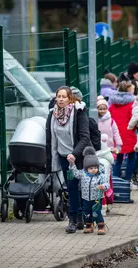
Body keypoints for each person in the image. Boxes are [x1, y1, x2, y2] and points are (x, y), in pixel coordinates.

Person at [46, 86, 90, 233]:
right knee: (71, 188)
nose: (60, 99)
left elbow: (85, 137)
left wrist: (75, 154)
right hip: (64, 156)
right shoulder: (53, 114)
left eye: (64, 96)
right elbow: (50, 137)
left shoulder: (79, 112)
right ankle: (73, 219)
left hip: (79, 156)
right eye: (58, 96)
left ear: (70, 98)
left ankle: (81, 217)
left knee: (81, 187)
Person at [69, 146, 109, 235]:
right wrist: (72, 164)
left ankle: (101, 226)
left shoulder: (100, 176)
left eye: (95, 167)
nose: (93, 170)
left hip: (97, 198)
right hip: (86, 198)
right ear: (86, 168)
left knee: (96, 212)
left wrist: (103, 186)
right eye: (91, 168)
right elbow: (75, 173)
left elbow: (107, 184)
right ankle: (89, 225)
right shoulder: (83, 174)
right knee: (86, 212)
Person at [109, 81, 138, 190]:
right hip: (129, 133)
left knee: (118, 159)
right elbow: (134, 119)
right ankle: (127, 181)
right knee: (131, 157)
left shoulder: (112, 104)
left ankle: (115, 181)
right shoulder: (131, 104)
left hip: (116, 134)